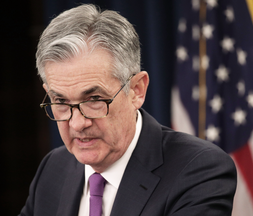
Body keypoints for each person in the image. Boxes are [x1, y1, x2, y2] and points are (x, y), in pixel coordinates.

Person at [19, 4, 237, 216]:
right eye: (61, 101)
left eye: (94, 99)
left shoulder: (199, 170)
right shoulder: (53, 169)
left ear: (136, 90)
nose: (77, 124)